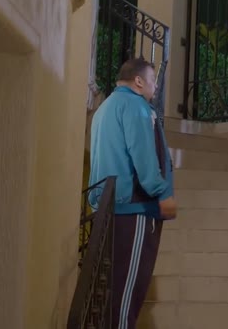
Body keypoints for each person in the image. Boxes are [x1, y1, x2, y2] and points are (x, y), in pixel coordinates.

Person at [88, 58, 177, 329]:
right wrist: (162, 192)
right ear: (138, 81)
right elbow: (144, 156)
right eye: (153, 80)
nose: (156, 86)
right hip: (133, 209)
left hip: (107, 208)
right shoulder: (136, 106)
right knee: (126, 295)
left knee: (110, 291)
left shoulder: (104, 108)